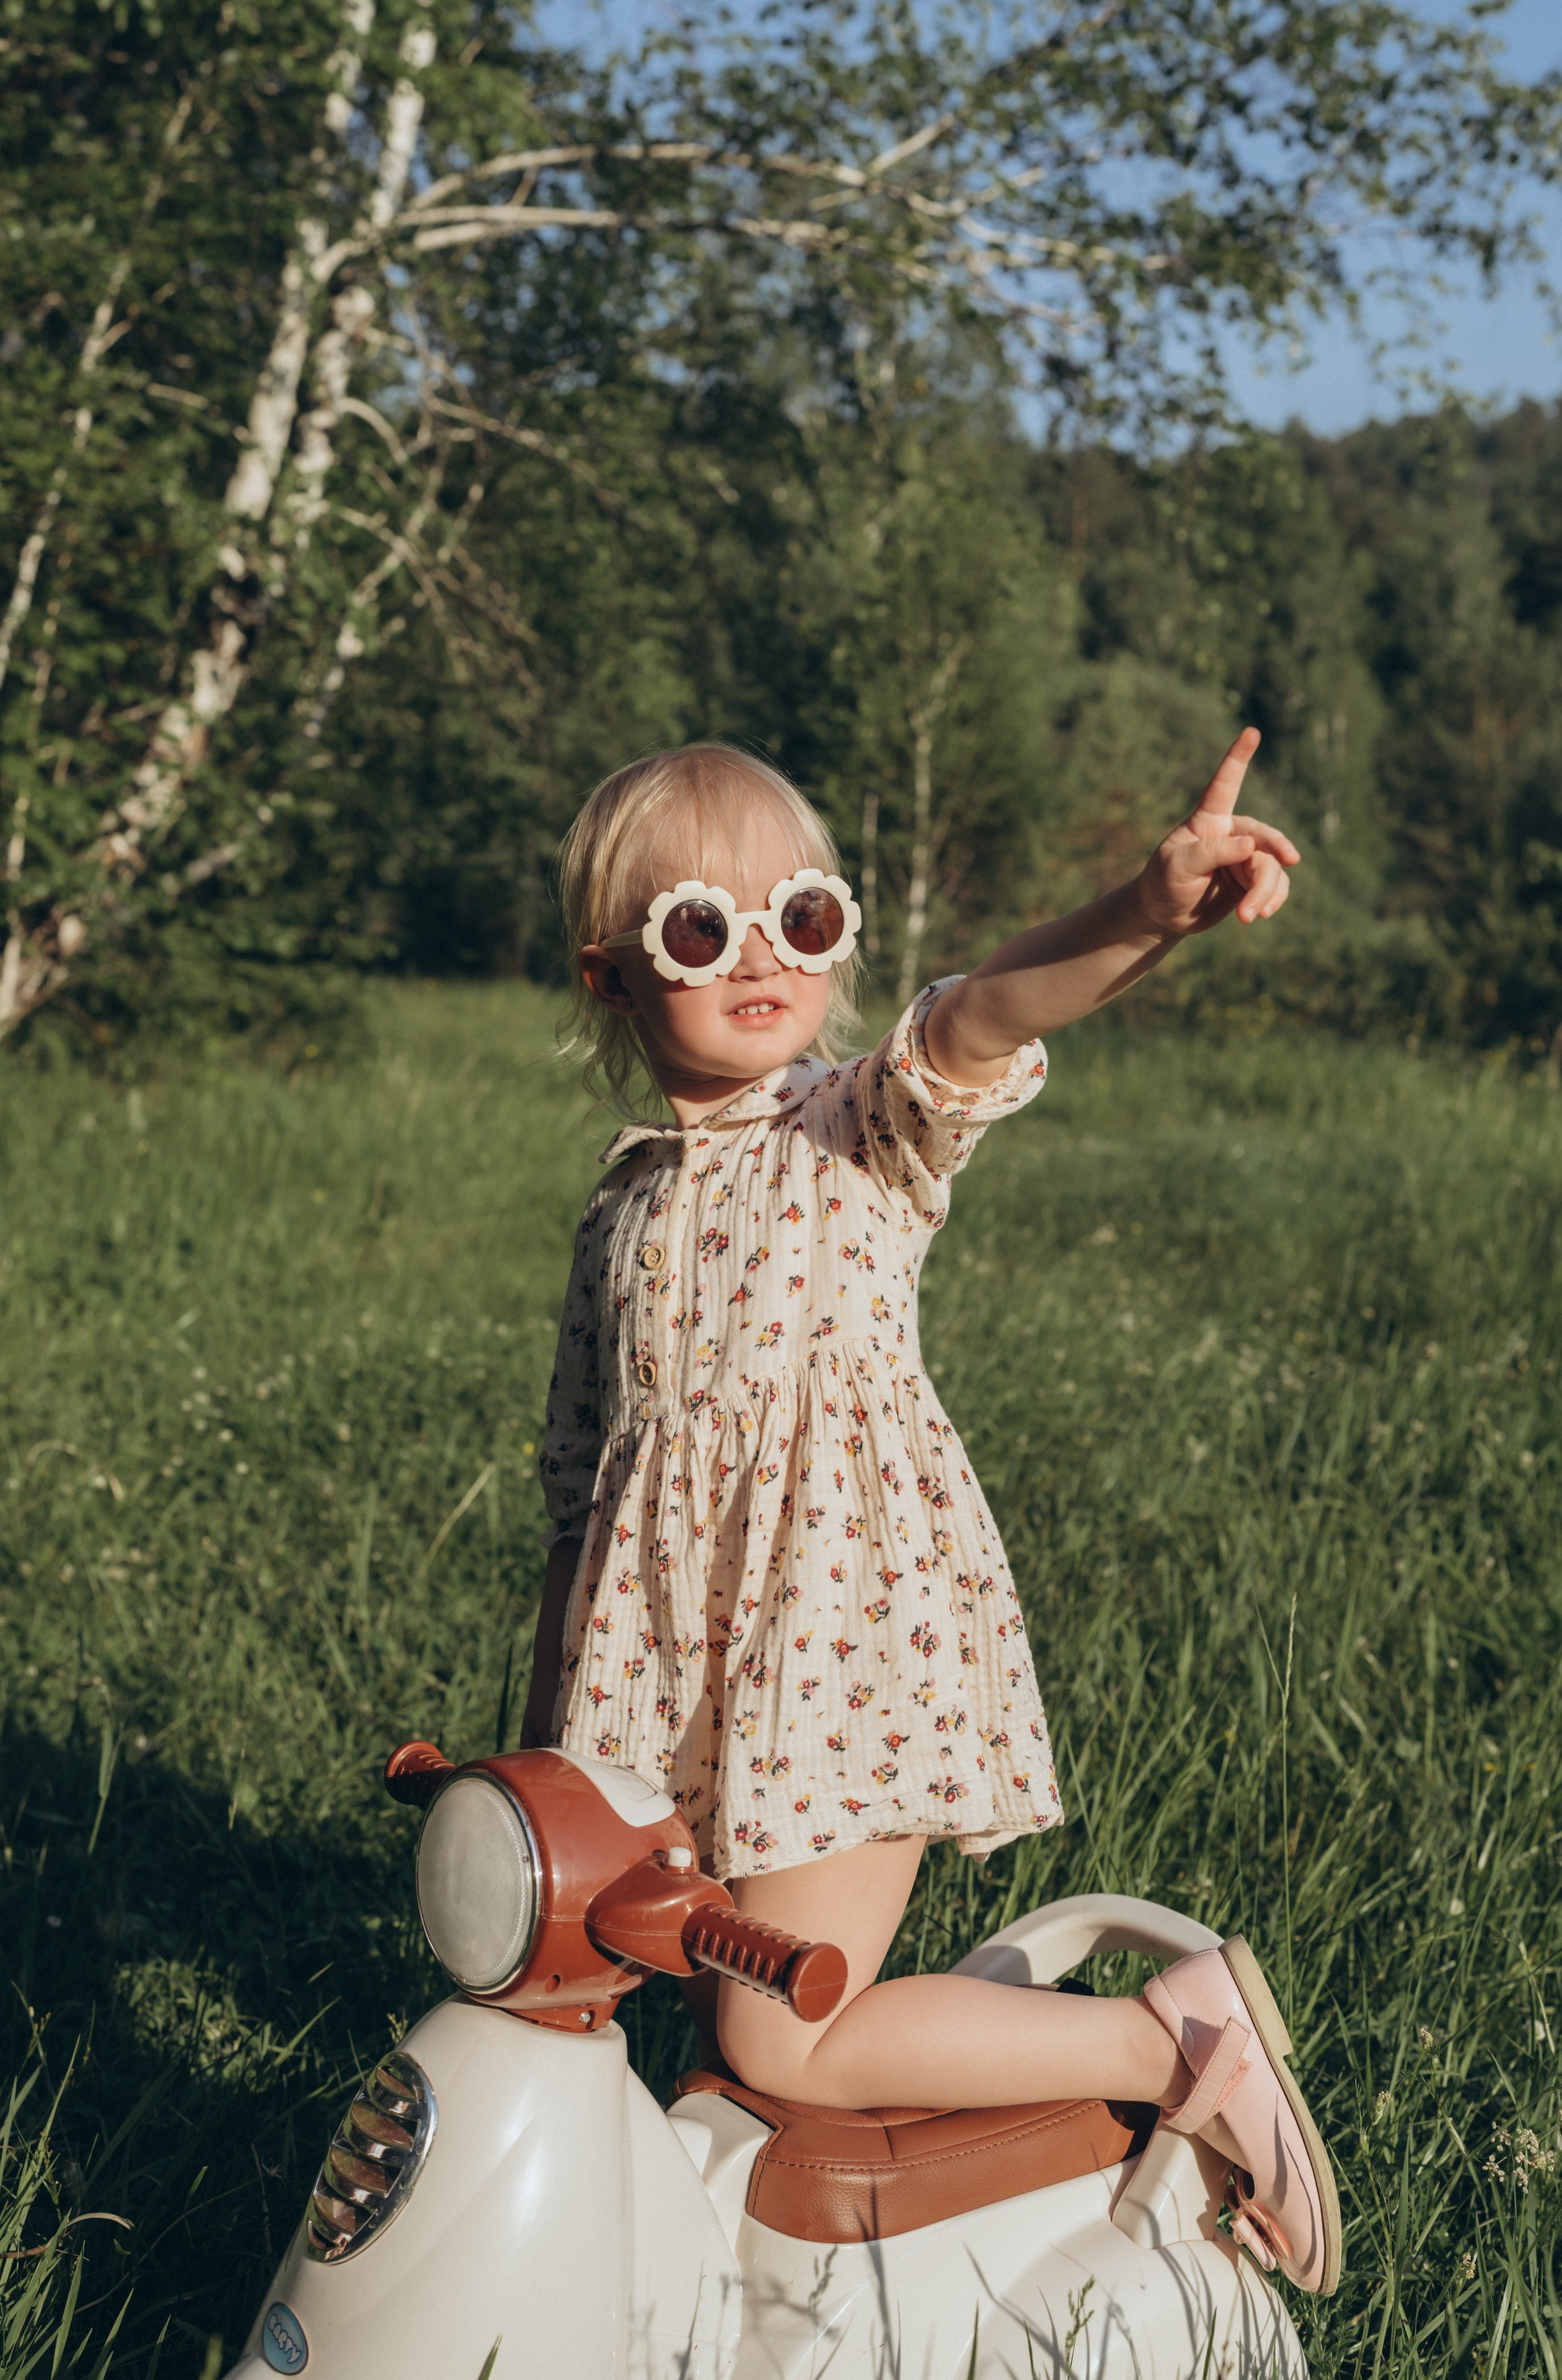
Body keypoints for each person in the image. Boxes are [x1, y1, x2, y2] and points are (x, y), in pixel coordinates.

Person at [523, 736, 1340, 2296]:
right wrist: (549, 1752)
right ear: (614, 976)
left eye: (803, 919)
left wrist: (1142, 912)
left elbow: (980, 1012)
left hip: (842, 1638)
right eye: (702, 929)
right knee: (718, 2029)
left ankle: (1169, 2038)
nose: (760, 956)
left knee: (787, 2024)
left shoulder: (855, 1134)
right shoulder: (619, 1208)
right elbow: (579, 1495)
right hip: (676, 1679)